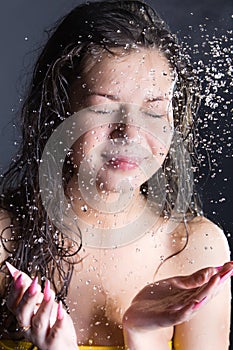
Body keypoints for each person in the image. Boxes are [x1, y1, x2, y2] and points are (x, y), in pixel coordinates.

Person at [0, 0, 232, 349]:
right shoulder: (5, 240)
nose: (131, 134)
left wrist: (141, 333)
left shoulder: (196, 252)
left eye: (154, 112)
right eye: (105, 107)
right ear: (60, 108)